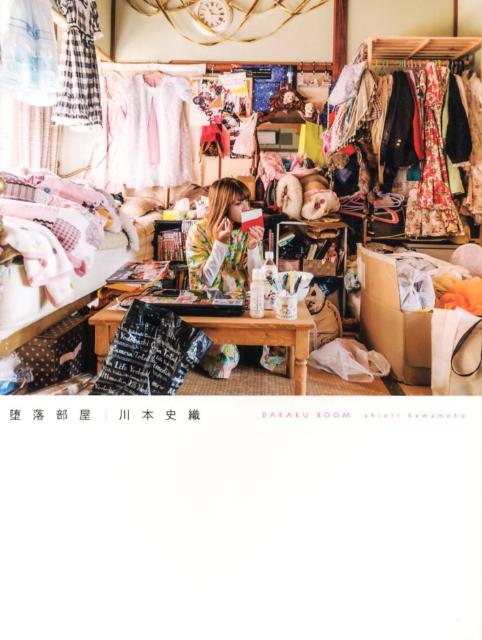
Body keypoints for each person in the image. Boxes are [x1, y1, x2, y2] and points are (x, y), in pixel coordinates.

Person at [186, 177, 285, 379]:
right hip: (213, 307)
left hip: (243, 305)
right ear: (223, 206)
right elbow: (203, 281)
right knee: (225, 360)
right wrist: (220, 244)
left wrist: (253, 248)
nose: (246, 208)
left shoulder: (246, 230)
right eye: (239, 204)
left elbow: (257, 278)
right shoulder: (198, 232)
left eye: (247, 201)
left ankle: (246, 346)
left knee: (267, 349)